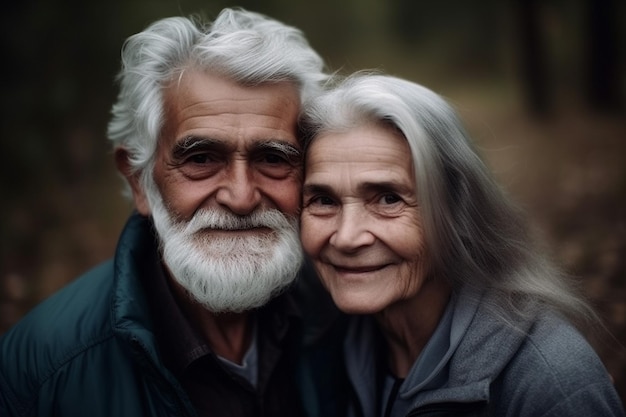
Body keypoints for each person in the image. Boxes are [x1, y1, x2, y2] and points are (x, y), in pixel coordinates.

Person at [0, 8, 334, 417]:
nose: (242, 197)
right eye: (201, 158)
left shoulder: (346, 311)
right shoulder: (45, 374)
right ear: (140, 180)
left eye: (273, 158)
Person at [299, 73, 625, 417]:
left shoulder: (552, 385)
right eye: (323, 200)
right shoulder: (320, 343)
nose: (347, 237)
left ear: (458, 210)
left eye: (388, 199)